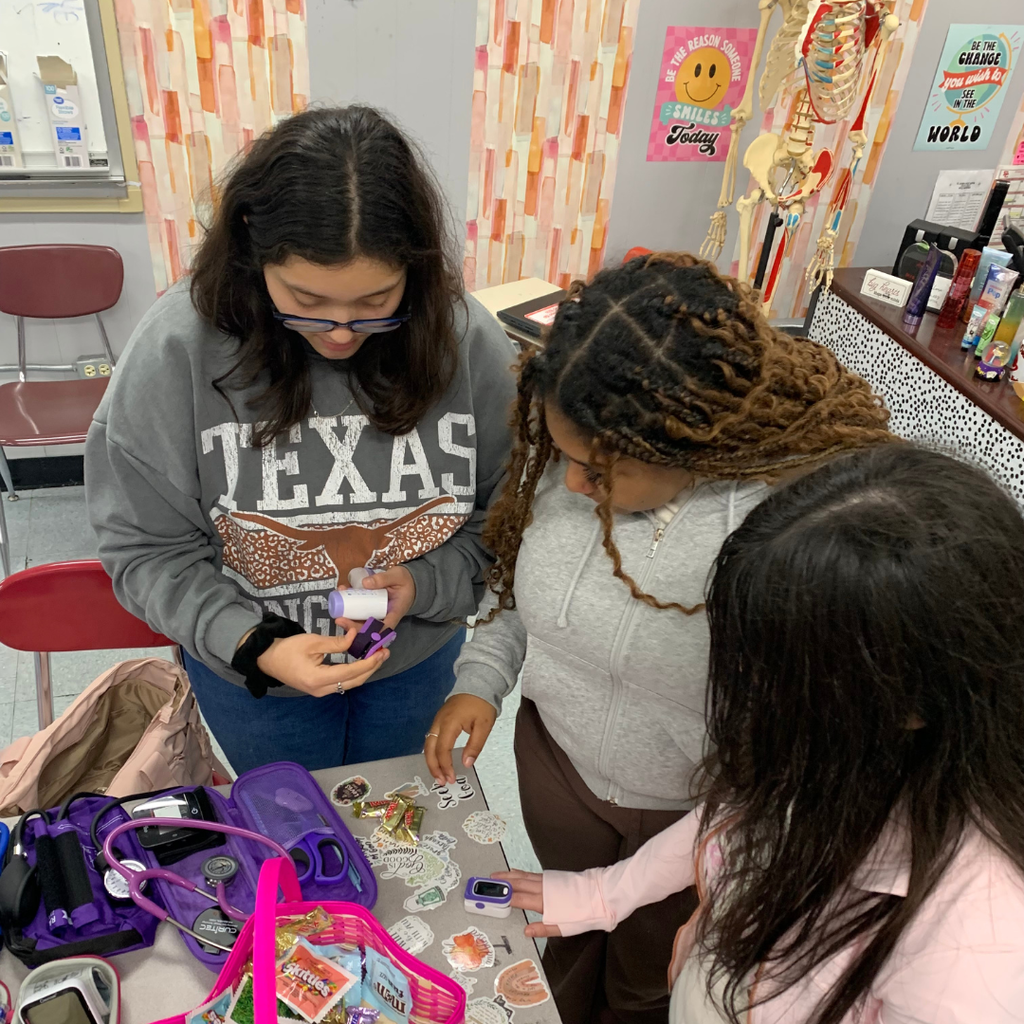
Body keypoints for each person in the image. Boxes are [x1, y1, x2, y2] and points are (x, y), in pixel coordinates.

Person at [424, 252, 894, 1024]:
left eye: (601, 469)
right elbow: (514, 580)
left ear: (687, 438)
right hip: (557, 767)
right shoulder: (566, 456)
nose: (571, 484)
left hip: (694, 811)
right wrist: (481, 675)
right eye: (563, 455)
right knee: (566, 935)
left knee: (650, 974)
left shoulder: (782, 529)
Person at [501, 445, 1024, 1024]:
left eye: (776, 676)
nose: (743, 696)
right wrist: (609, 895)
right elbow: (738, 819)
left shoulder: (976, 946)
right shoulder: (831, 754)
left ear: (910, 699)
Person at [86, 105, 516, 773]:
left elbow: (508, 521)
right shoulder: (177, 350)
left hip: (415, 662)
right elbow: (146, 548)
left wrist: (423, 584)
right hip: (254, 679)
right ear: (253, 247)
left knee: (399, 827)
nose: (341, 331)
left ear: (417, 266)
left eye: (376, 301)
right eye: (306, 300)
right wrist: (254, 641)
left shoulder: (467, 343)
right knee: (293, 840)